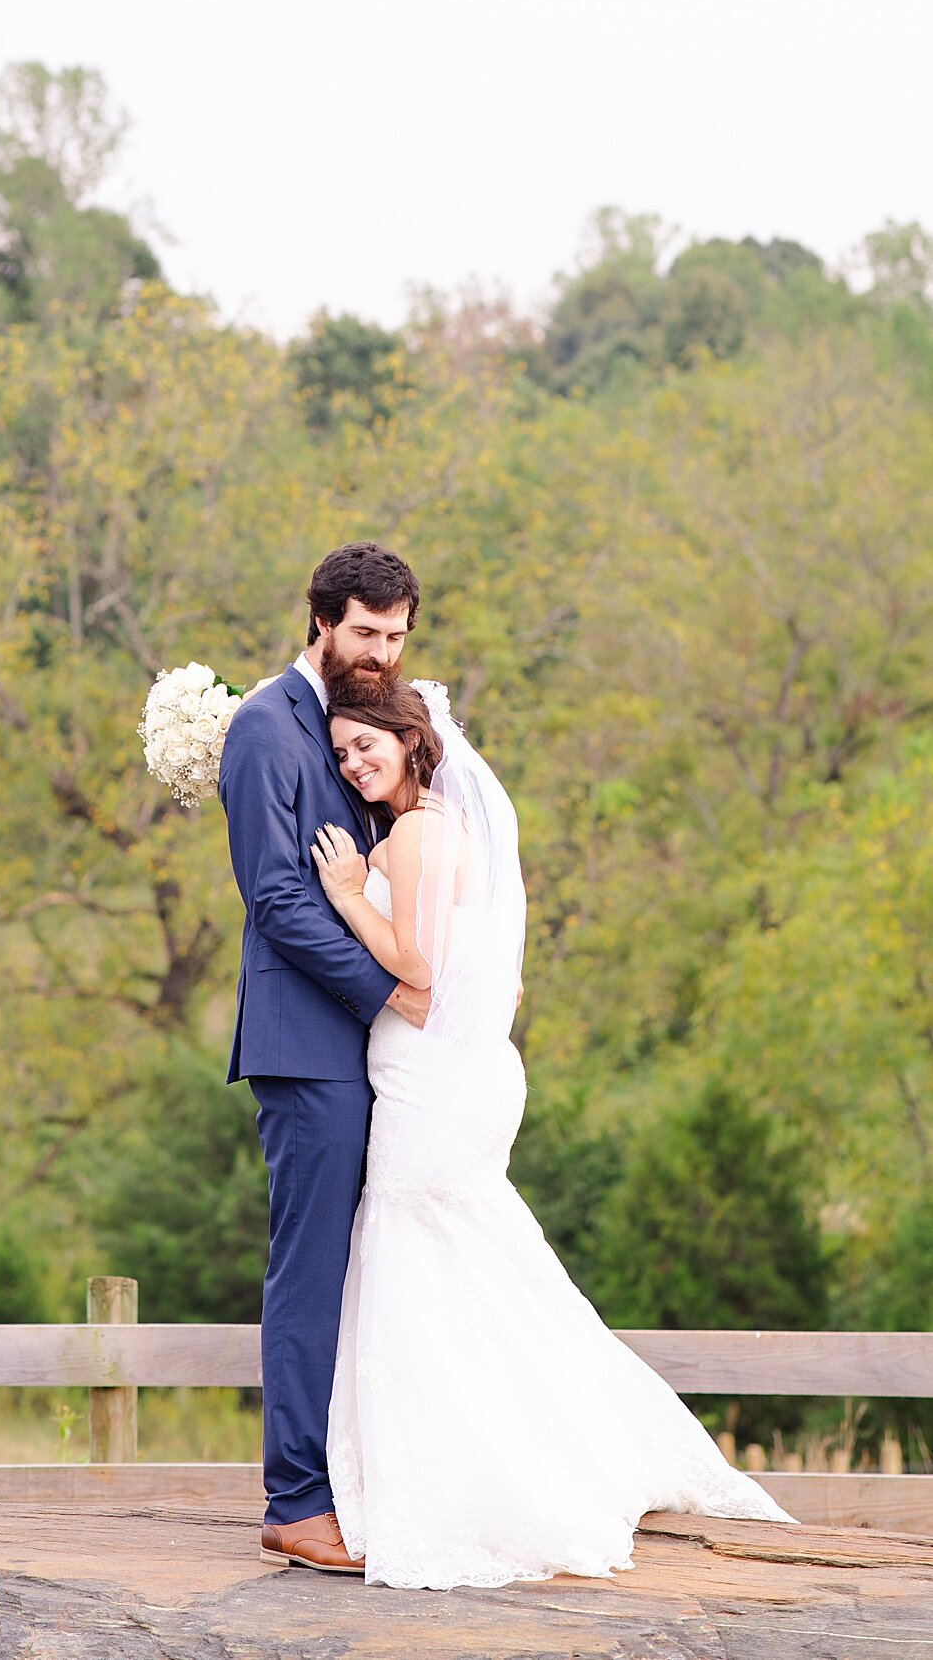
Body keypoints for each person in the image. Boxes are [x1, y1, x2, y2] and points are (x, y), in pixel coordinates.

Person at [310, 677, 792, 1589]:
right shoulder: (442, 836)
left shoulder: (416, 834)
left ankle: (470, 1481)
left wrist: (345, 894)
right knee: (474, 1262)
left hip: (436, 1085)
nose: (352, 762)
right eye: (341, 752)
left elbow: (417, 965)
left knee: (419, 1252)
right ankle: (528, 1447)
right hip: (454, 1075)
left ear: (412, 740)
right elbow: (480, 977)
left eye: (364, 743)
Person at [218, 542, 429, 1574]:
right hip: (308, 1045)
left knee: (376, 1264)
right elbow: (275, 895)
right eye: (364, 633)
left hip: (380, 1049)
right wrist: (387, 990)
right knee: (310, 1270)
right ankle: (297, 1502)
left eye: (394, 637)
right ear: (321, 623)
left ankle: (356, 1479)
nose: (381, 654)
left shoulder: (369, 724)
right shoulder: (264, 728)